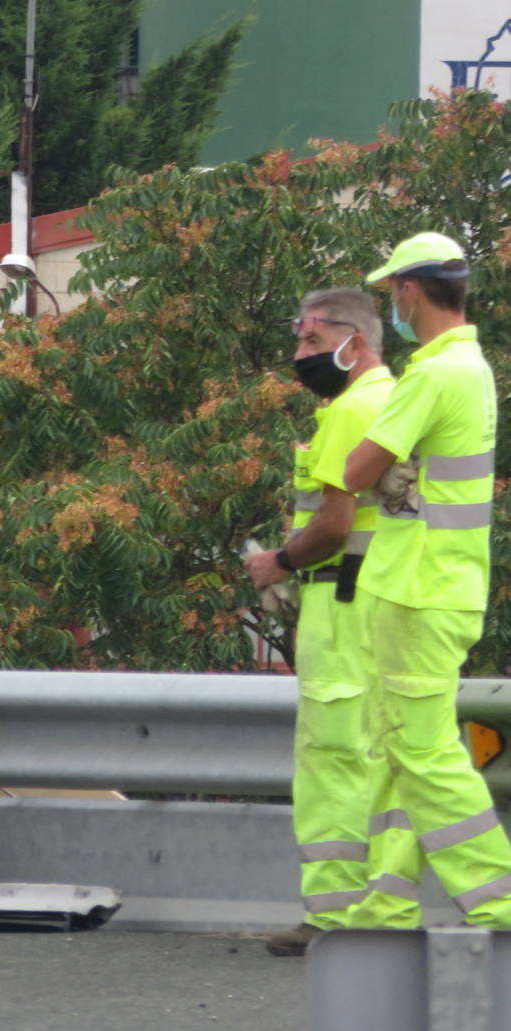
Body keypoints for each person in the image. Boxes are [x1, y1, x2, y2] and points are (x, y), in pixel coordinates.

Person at [343, 231, 511, 928]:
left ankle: (499, 898)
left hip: (418, 590)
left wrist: (383, 470)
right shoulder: (469, 367)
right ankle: (387, 901)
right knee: (400, 747)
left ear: (410, 290)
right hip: (437, 585)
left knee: (423, 751)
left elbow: (354, 470)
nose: (394, 306)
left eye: (393, 293)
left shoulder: (433, 373)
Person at [245, 288, 395, 956]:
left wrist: (278, 561)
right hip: (384, 600)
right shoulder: (396, 397)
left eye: (310, 341)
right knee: (376, 757)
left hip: (342, 602)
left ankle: (334, 917)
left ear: (352, 342)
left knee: (332, 759)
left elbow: (332, 525)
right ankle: (377, 909)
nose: (298, 354)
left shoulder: (350, 409)